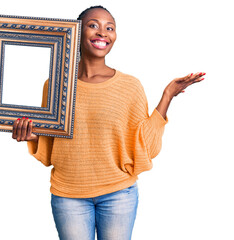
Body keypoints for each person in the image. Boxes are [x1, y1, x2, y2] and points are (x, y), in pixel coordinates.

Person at [12, 5, 205, 240]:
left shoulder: (129, 86)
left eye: (110, 28)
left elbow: (146, 146)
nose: (103, 32)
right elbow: (53, 141)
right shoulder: (55, 85)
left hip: (119, 194)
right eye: (94, 25)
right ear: (77, 32)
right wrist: (31, 135)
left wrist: (167, 96)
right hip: (68, 194)